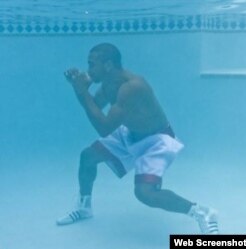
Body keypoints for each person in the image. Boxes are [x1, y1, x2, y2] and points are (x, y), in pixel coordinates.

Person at [56, 43, 219, 234]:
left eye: (92, 64)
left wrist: (82, 91)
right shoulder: (109, 83)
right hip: (130, 134)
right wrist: (80, 89)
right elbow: (95, 105)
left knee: (145, 193)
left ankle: (202, 212)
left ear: (107, 65)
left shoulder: (132, 87)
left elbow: (104, 127)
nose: (89, 70)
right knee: (88, 157)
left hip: (155, 141)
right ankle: (84, 208)